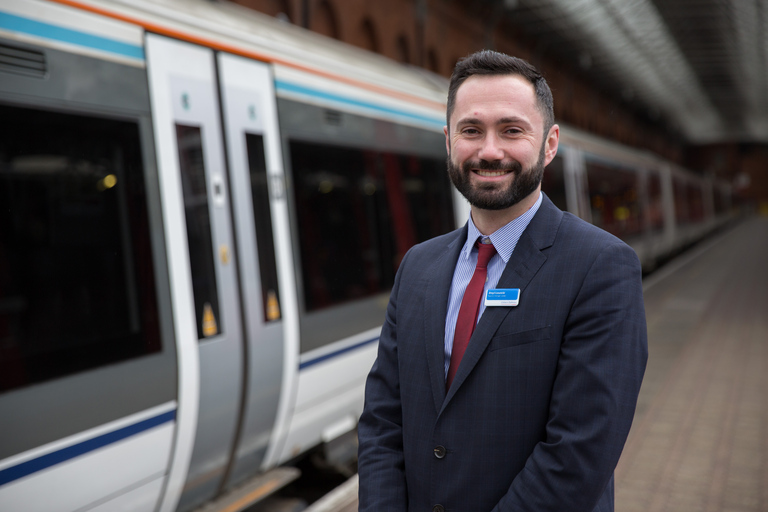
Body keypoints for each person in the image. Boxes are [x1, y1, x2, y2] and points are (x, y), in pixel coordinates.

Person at [357, 50, 648, 512]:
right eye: (471, 130)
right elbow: (382, 423)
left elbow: (578, 452)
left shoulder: (601, 267)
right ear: (448, 141)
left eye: (512, 130)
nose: (489, 150)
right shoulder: (417, 266)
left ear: (549, 144)